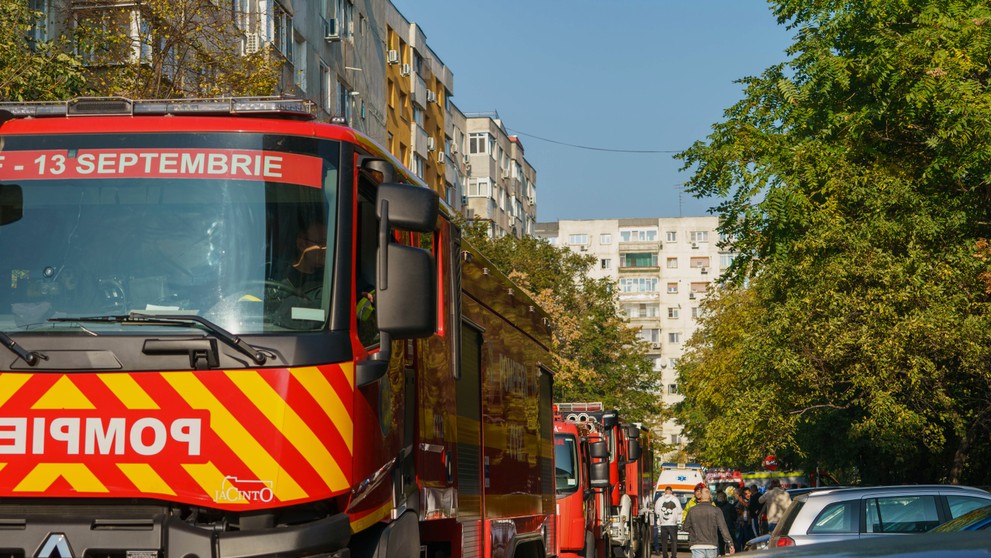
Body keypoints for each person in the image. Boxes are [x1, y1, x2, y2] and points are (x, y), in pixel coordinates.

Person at [682, 487, 735, 558]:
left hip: (697, 544)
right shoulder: (716, 510)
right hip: (711, 545)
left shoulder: (692, 510)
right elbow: (723, 528)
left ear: (700, 496)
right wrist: (730, 544)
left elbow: (685, 527)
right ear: (710, 496)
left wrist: (694, 530)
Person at [655, 487, 682, 558]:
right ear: (671, 491)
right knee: (674, 541)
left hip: (663, 524)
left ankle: (665, 555)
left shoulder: (660, 499)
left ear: (665, 491)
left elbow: (656, 511)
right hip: (673, 524)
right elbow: (679, 510)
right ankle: (673, 555)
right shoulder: (675, 499)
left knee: (664, 541)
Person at [714, 491, 736, 556]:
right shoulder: (730, 506)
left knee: (720, 545)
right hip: (729, 528)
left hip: (719, 529)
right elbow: (734, 517)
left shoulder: (715, 507)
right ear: (725, 498)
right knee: (729, 545)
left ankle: (721, 554)